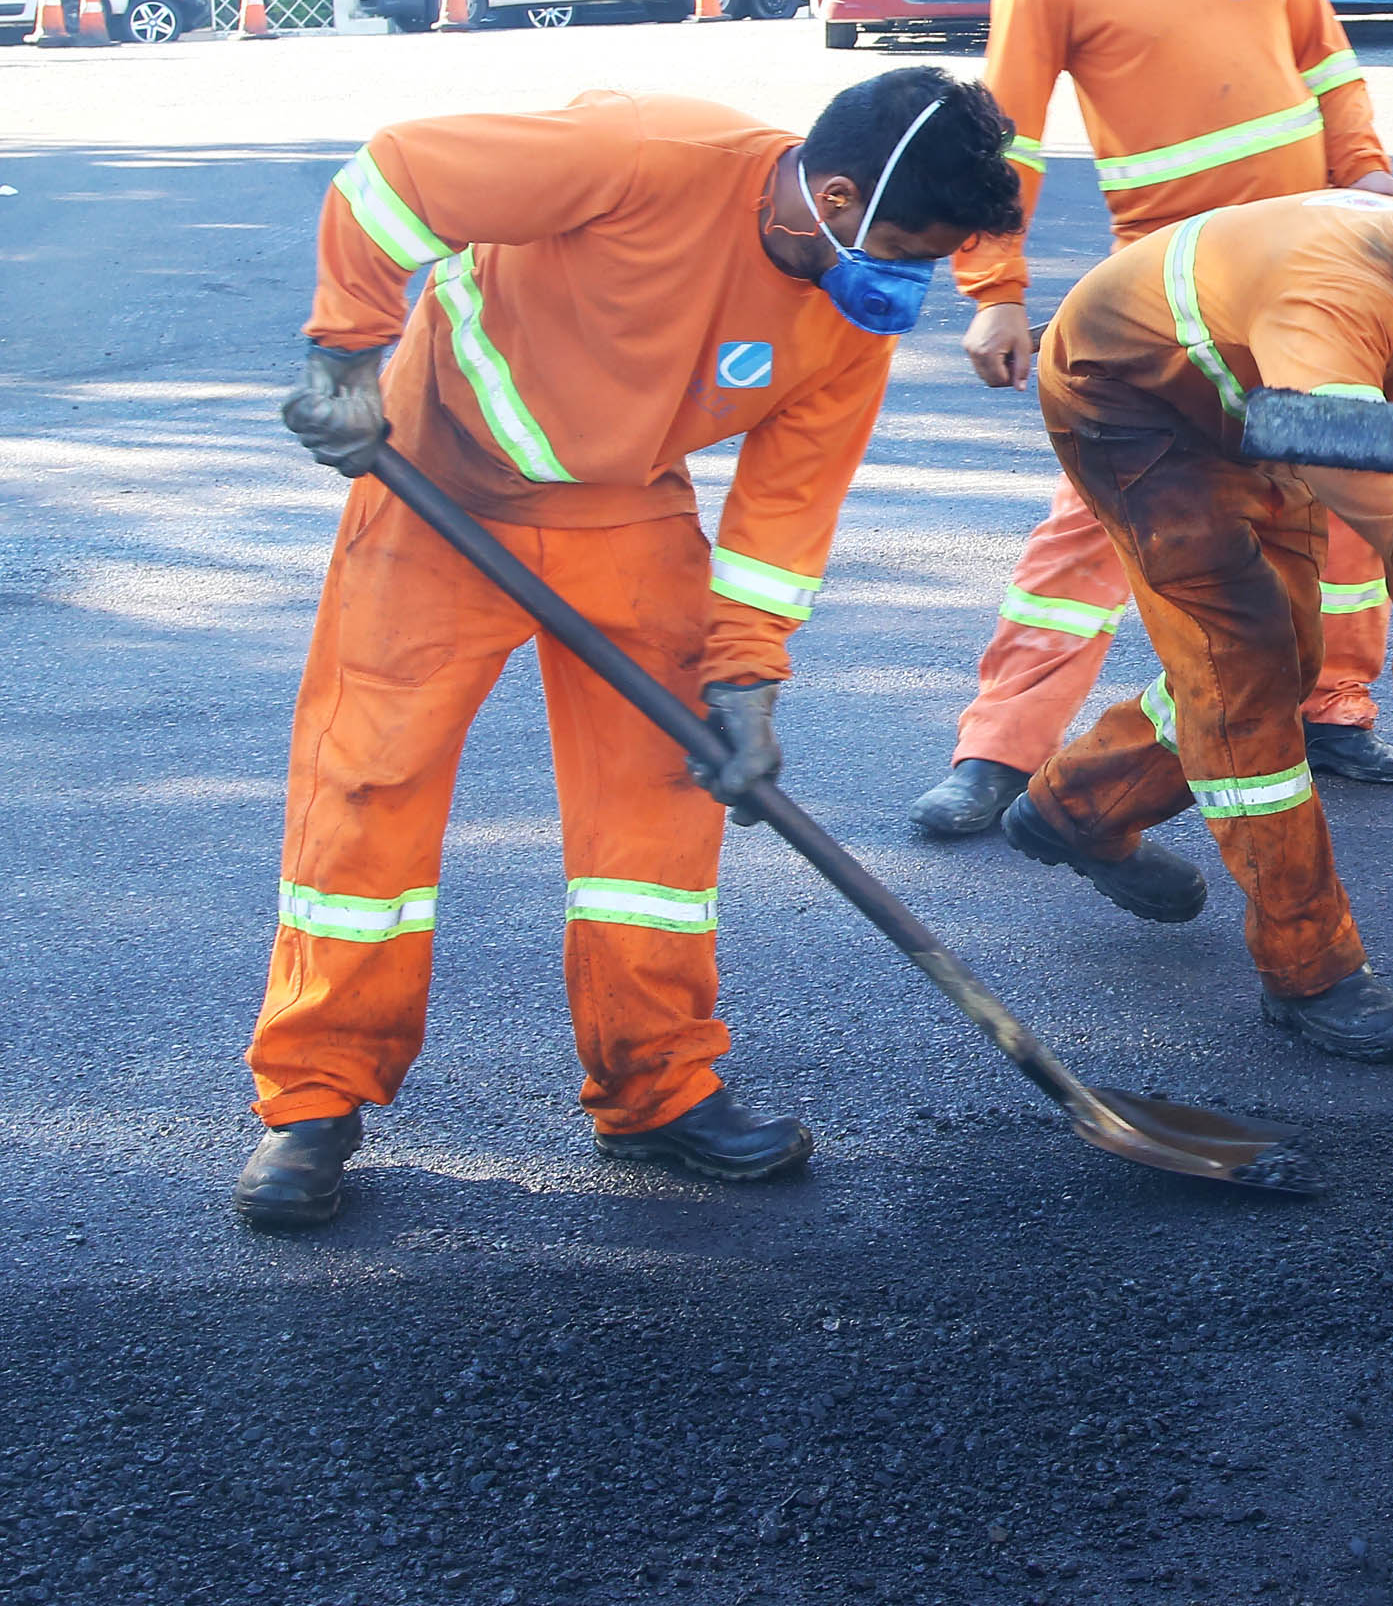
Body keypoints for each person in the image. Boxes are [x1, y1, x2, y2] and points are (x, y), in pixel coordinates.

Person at [235, 70, 1023, 1229]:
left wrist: (746, 680)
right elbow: (391, 177)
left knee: (656, 809)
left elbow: (785, 508)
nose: (908, 281)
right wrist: (348, 354)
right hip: (439, 491)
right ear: (836, 197)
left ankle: (656, 1088)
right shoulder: (641, 154)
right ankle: (312, 1102)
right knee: (367, 785)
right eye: (904, 248)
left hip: (624, 514)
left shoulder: (848, 317)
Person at [908, 0, 1393, 844]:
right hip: (1167, 300)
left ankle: (1331, 705)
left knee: (1341, 486)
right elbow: (1003, 135)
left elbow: (1326, 64)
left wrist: (1370, 178)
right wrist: (994, 288)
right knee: (1098, 523)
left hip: (1314, 274)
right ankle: (1000, 748)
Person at [998, 151, 1393, 1063]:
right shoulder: (1338, 283)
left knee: (1290, 660)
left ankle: (1075, 805)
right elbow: (1333, 440)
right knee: (1243, 673)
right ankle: (1309, 967)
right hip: (1131, 406)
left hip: (1252, 411)